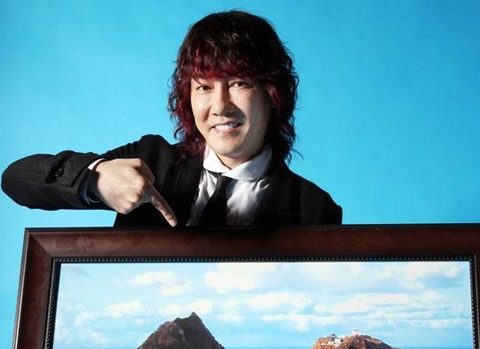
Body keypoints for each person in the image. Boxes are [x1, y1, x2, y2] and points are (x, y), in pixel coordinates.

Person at [2, 10, 342, 228]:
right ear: (187, 97)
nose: (220, 106)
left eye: (239, 83)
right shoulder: (150, 160)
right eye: (204, 87)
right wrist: (95, 179)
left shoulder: (316, 210)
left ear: (272, 92)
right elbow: (16, 179)